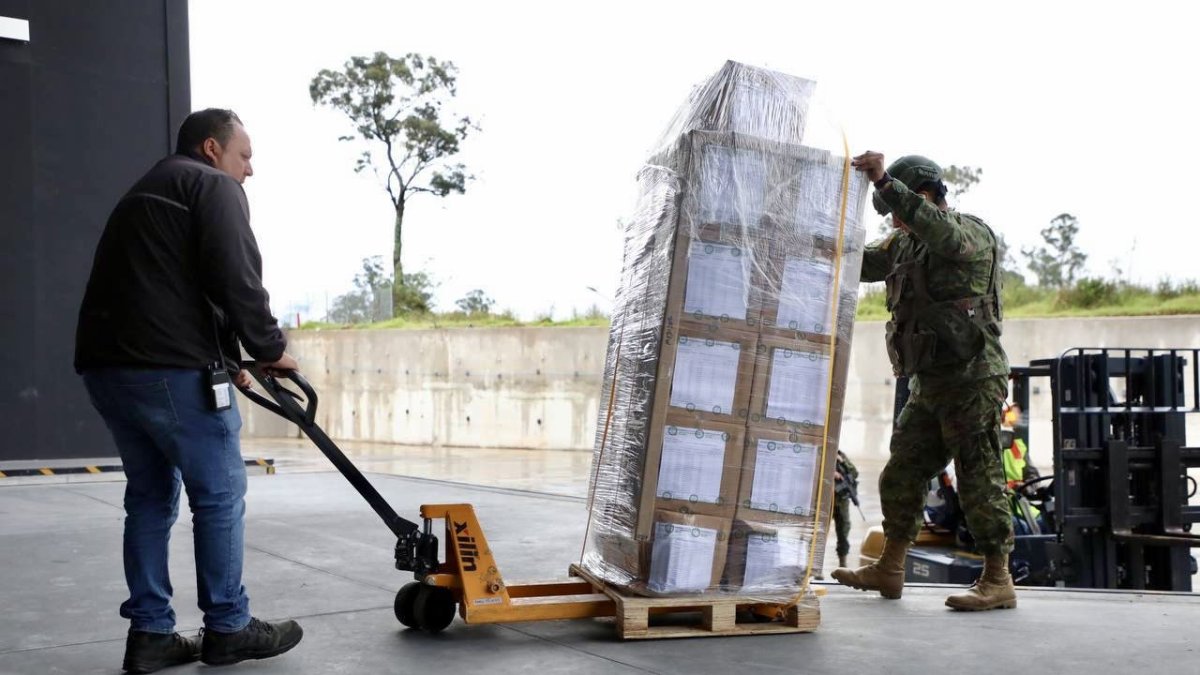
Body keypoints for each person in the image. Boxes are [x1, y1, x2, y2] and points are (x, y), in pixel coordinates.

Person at [75, 108, 304, 672]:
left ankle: (151, 635)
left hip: (108, 369)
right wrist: (270, 349)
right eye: (244, 155)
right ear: (211, 148)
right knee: (219, 494)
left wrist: (226, 357)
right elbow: (235, 275)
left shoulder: (143, 193)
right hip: (170, 367)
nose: (250, 169)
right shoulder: (212, 186)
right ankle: (228, 626)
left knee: (150, 498)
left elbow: (168, 285)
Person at [830, 153, 1017, 611]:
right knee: (903, 472)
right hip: (929, 384)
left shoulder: (969, 233)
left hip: (973, 380)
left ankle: (998, 579)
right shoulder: (905, 244)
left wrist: (886, 182)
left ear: (928, 194)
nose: (894, 218)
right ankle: (890, 568)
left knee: (979, 478)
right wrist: (814, 235)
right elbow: (864, 263)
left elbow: (944, 235)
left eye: (900, 205)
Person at [832, 450, 859, 568]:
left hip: (841, 501)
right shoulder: (820, 451)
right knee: (819, 531)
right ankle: (815, 566)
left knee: (844, 529)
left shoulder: (840, 454)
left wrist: (842, 462)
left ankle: (843, 563)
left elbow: (854, 473)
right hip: (826, 499)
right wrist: (830, 473)